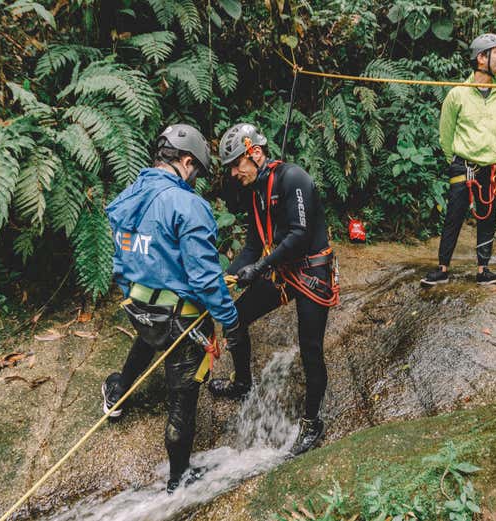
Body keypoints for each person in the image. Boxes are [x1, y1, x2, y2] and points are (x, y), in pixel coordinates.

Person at [101, 124, 240, 493]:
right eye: (197, 172)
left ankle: (117, 393)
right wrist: (229, 320)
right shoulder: (188, 205)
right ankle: (179, 481)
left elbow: (121, 259)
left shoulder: (130, 194)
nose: (195, 180)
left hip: (138, 307)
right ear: (187, 161)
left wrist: (134, 296)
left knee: (148, 338)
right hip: (181, 321)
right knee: (182, 400)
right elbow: (205, 277)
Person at [208, 123, 339, 456]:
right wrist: (226, 277)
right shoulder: (256, 193)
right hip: (282, 270)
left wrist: (261, 268)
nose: (234, 173)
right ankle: (242, 383)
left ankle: (312, 422)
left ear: (255, 153)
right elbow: (254, 247)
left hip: (311, 271)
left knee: (310, 347)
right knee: (235, 317)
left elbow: (300, 235)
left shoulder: (294, 179)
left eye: (236, 164)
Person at [420, 33, 496, 287]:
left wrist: (494, 156)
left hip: (491, 167)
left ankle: (484, 269)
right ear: (481, 58)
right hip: (463, 164)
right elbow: (446, 133)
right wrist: (455, 161)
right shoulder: (458, 95)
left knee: (488, 216)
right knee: (454, 215)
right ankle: (442, 268)